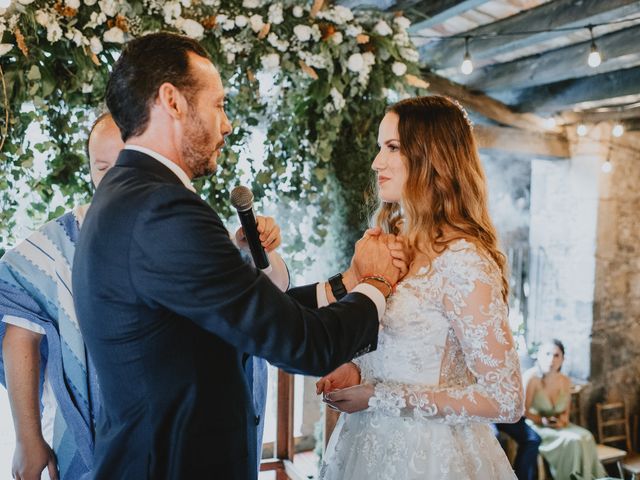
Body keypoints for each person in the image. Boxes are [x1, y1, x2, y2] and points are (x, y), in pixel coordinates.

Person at [72, 32, 405, 480]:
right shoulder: (163, 209)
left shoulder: (124, 195)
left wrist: (343, 285)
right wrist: (377, 285)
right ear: (172, 101)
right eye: (219, 104)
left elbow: (228, 314)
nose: (226, 124)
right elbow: (298, 344)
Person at [316, 95, 525, 479]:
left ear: (435, 158)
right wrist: (360, 373)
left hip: (431, 458)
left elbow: (507, 398)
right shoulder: (393, 246)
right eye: (380, 148)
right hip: (366, 446)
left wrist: (379, 397)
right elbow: (401, 350)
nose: (377, 162)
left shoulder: (463, 261)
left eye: (392, 147)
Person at [0, 113, 122, 480]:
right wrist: (28, 438)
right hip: (87, 430)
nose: (112, 181)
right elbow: (19, 332)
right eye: (102, 168)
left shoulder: (177, 232)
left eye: (125, 165)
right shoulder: (61, 242)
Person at [524, 339, 606, 480]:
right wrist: (542, 420)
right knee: (573, 441)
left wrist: (562, 420)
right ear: (539, 356)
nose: (552, 359)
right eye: (547, 354)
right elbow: (522, 411)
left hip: (558, 425)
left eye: (556, 355)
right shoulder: (531, 378)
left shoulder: (565, 380)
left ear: (563, 359)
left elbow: (565, 411)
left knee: (586, 436)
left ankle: (588, 477)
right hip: (537, 425)